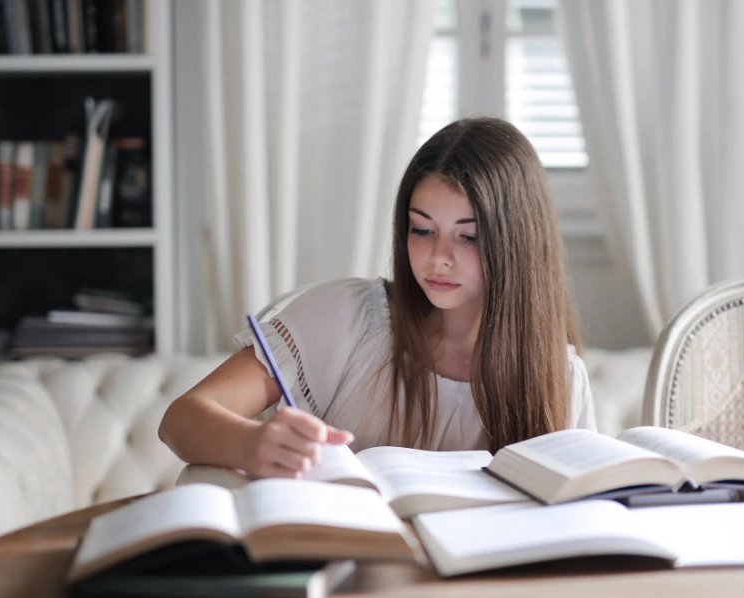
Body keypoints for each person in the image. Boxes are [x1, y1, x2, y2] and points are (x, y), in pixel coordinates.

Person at [159, 117, 597, 479]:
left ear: (516, 243)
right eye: (421, 230)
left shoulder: (558, 377)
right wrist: (250, 443)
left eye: (469, 237)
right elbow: (180, 420)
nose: (438, 258)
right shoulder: (345, 318)